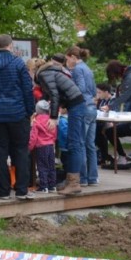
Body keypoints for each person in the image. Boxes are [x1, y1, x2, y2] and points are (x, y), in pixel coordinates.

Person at [0, 34, 36, 201]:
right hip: (18, 112)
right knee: (21, 150)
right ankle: (21, 190)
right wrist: (30, 110)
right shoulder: (18, 63)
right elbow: (27, 89)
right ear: (11, 45)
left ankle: (3, 191)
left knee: (1, 151)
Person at [36, 57, 86, 196]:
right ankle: (73, 181)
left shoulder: (44, 75)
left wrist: (52, 117)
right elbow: (49, 96)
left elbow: (54, 95)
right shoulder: (52, 72)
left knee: (74, 143)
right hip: (76, 104)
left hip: (75, 105)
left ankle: (74, 183)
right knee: (75, 143)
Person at [65, 46, 98, 187]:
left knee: (80, 143)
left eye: (67, 58)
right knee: (90, 145)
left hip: (83, 106)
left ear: (73, 57)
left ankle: (83, 178)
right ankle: (93, 177)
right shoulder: (87, 68)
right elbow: (93, 90)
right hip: (92, 107)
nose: (67, 62)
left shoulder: (77, 69)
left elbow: (81, 88)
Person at [29, 100, 57, 193]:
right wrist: (52, 142)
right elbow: (54, 134)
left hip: (41, 146)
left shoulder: (36, 121)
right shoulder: (51, 120)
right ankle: (52, 186)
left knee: (42, 166)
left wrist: (30, 147)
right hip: (50, 145)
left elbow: (33, 136)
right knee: (51, 166)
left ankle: (44, 186)